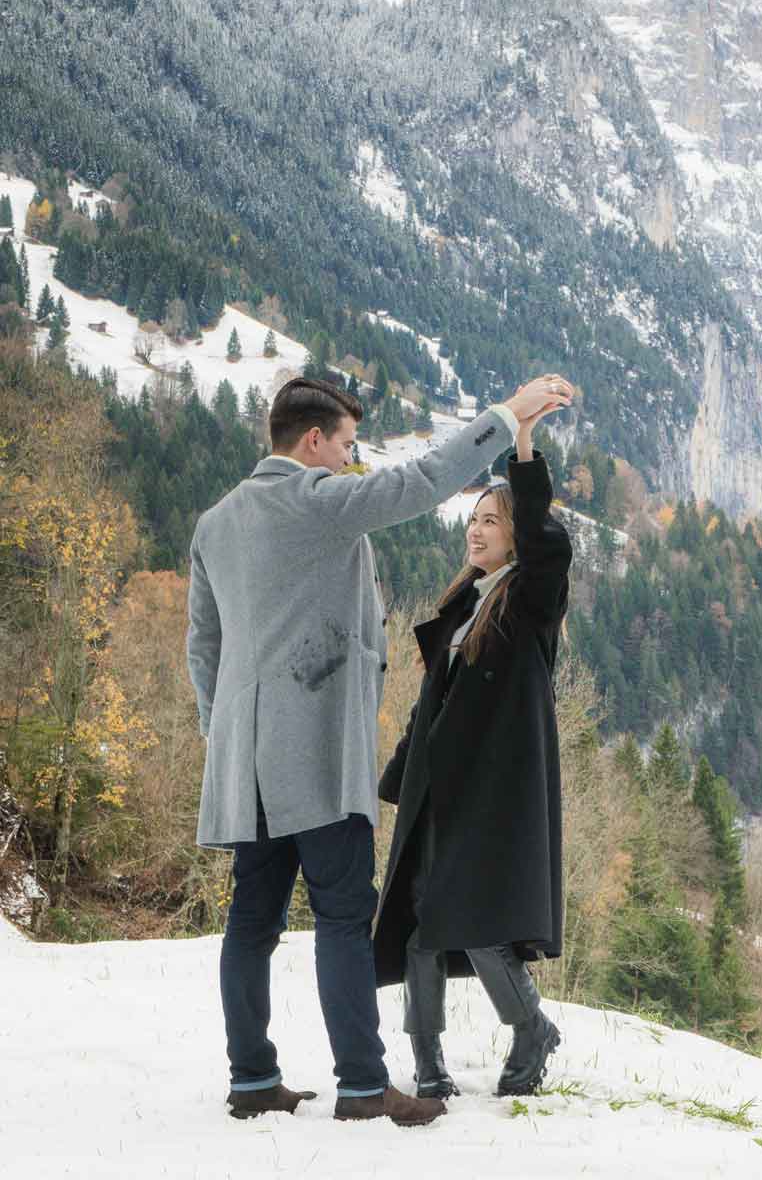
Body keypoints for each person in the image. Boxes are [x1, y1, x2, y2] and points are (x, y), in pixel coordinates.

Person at [187, 372, 574, 1127]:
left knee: (251, 920)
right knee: (341, 916)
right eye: (346, 446)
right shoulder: (316, 500)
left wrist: (221, 731)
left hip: (246, 767)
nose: (352, 460)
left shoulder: (215, 524)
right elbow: (422, 481)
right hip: (318, 762)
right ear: (313, 442)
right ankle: (364, 1087)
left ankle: (252, 1078)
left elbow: (204, 646)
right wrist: (505, 417)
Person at [371, 393, 572, 1099]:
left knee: (482, 922)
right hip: (439, 790)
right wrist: (397, 773)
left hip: (492, 794)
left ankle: (531, 1027)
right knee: (423, 927)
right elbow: (434, 707)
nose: (476, 531)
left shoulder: (530, 600)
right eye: (473, 520)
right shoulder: (464, 604)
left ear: (516, 534)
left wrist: (522, 446)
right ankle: (427, 1063)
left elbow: (550, 544)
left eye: (491, 521)